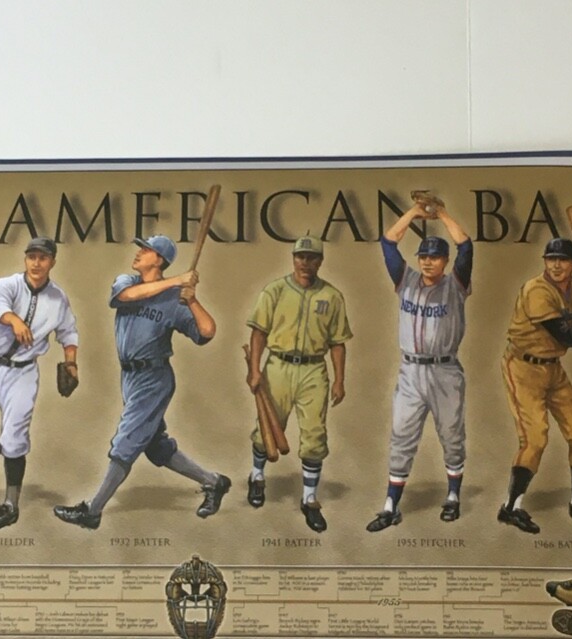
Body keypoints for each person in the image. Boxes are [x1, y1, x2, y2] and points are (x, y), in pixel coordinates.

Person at [54, 234, 228, 529]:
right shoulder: (127, 282)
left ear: (159, 259)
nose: (139, 253)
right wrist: (176, 281)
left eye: (146, 250)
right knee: (155, 446)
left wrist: (192, 300)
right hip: (130, 377)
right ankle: (214, 482)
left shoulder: (174, 300)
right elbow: (124, 298)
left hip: (153, 378)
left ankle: (92, 512)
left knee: (125, 442)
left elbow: (207, 332)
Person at [497, 236, 572, 533]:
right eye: (550, 259)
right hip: (523, 367)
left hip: (553, 368)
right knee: (535, 440)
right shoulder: (536, 290)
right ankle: (510, 508)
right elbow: (564, 336)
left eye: (562, 260)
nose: (555, 265)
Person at [0, 235, 78, 533]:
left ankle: (10, 506)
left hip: (24, 373)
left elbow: (68, 332)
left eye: (43, 258)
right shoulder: (7, 284)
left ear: (52, 261)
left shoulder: (58, 298)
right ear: (25, 259)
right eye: (31, 257)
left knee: (15, 441)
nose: (36, 263)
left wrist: (71, 363)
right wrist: (14, 320)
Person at [367, 195, 472, 532]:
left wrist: (441, 213)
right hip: (411, 371)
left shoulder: (456, 284)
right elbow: (388, 242)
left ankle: (453, 496)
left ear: (445, 261)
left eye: (435, 257)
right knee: (401, 435)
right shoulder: (406, 279)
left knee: (451, 435)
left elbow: (466, 246)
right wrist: (414, 212)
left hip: (445, 370)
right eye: (424, 256)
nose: (427, 262)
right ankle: (390, 505)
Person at [244, 234, 351, 532]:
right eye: (300, 256)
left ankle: (309, 498)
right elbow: (259, 332)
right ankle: (257, 477)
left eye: (311, 257)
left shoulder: (332, 296)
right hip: (278, 365)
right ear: (293, 258)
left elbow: (338, 342)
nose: (305, 262)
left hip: (314, 369)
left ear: (320, 261)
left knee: (314, 434)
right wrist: (255, 370)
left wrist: (340, 380)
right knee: (267, 427)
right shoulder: (275, 290)